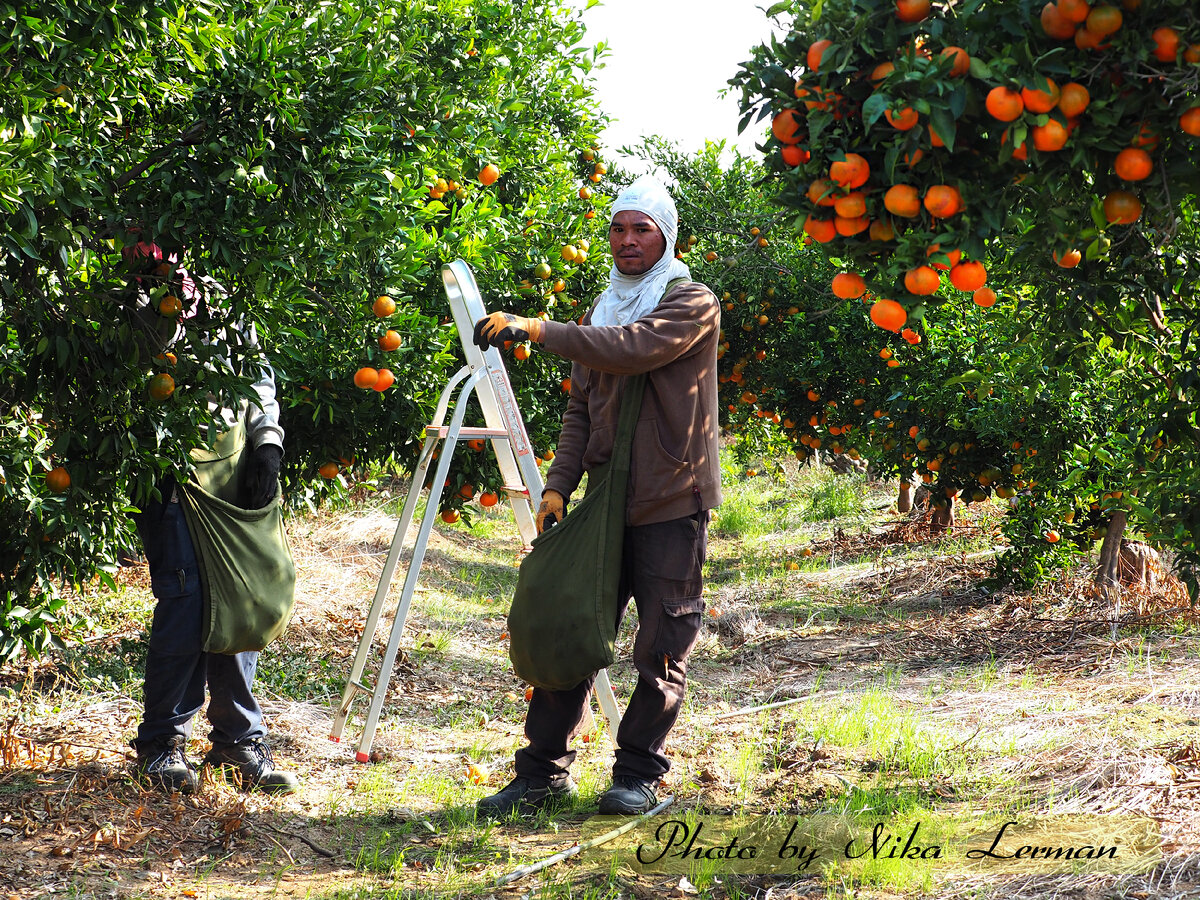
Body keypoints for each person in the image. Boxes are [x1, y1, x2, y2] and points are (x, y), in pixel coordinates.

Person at [472, 175, 721, 816]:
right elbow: (581, 411)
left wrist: (539, 329)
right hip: (604, 502)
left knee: (662, 645)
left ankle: (638, 773)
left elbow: (634, 351)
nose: (628, 240)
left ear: (665, 237)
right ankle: (541, 771)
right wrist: (558, 486)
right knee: (571, 629)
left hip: (670, 501)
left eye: (642, 229)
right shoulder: (603, 313)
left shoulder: (690, 302)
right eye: (619, 228)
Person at [125, 249, 298, 796]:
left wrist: (267, 444)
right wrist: (159, 296)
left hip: (232, 472)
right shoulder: (134, 302)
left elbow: (258, 379)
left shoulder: (224, 294)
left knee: (241, 599)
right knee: (186, 602)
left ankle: (237, 740)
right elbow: (138, 366)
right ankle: (162, 744)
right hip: (171, 475)